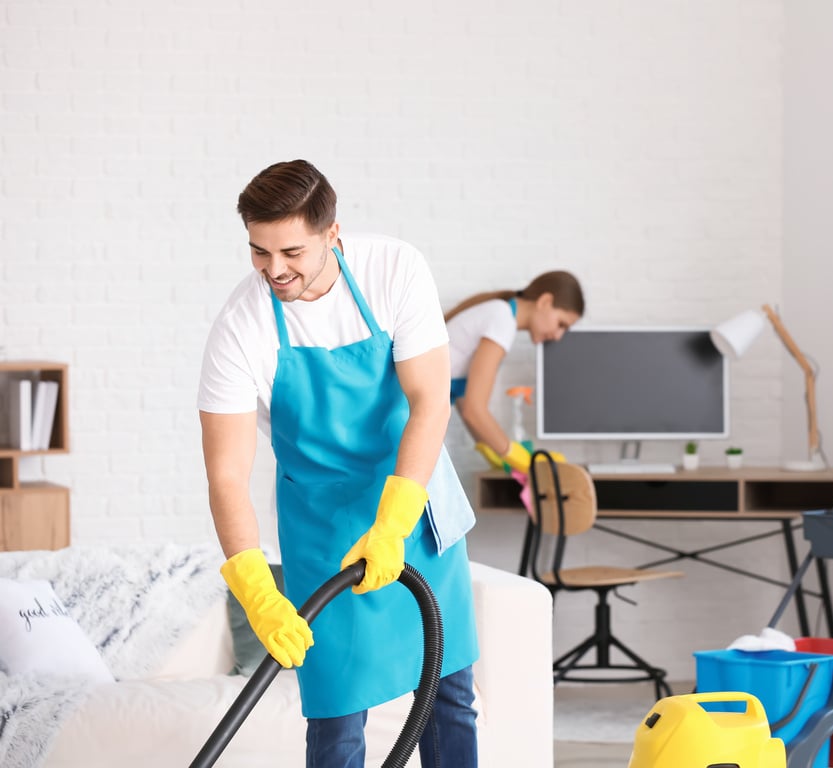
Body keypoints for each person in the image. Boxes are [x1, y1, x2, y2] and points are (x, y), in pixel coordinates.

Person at [197, 159, 479, 768]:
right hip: (323, 527)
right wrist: (252, 587)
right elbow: (225, 474)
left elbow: (430, 403)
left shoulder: (393, 268)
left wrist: (393, 524)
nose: (275, 270)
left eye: (292, 251)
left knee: (449, 693)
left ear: (332, 234)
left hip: (413, 500)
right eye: (258, 252)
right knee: (334, 712)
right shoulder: (240, 327)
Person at [445, 271, 584, 473]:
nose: (558, 336)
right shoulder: (502, 320)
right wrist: (521, 460)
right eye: (561, 324)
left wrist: (494, 453)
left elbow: (466, 403)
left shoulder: (499, 314)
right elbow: (474, 410)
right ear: (545, 301)